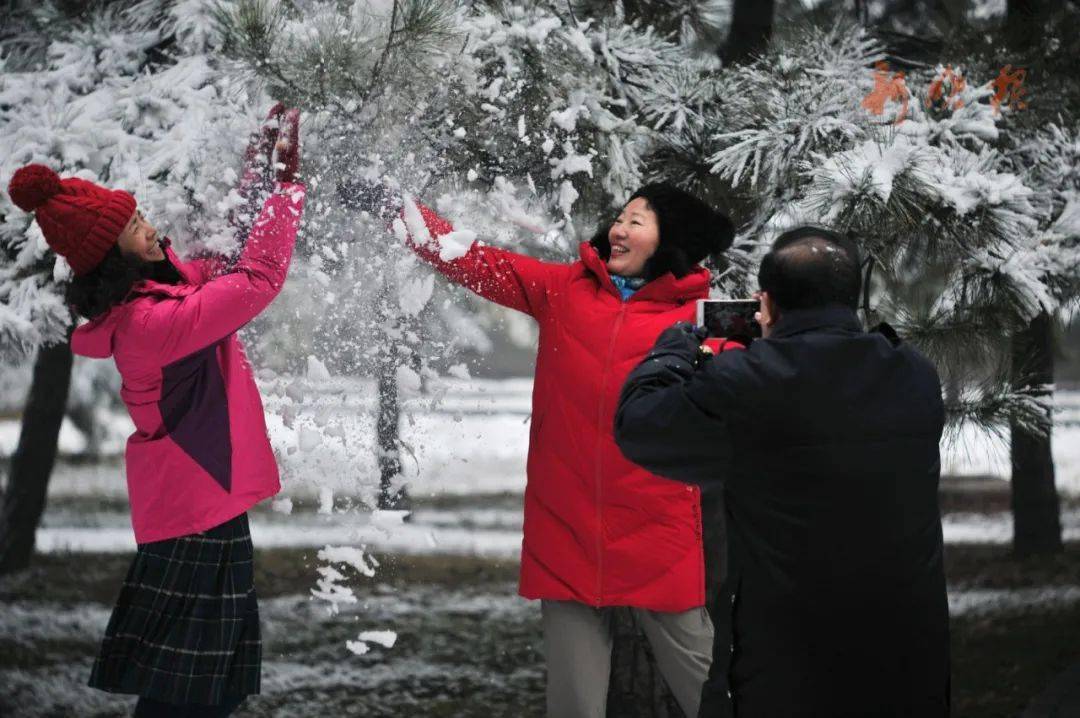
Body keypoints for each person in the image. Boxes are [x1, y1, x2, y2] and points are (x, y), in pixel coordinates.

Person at [343, 180, 734, 717]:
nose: (618, 228)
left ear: (672, 242)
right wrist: (400, 213)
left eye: (637, 221)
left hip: (658, 529)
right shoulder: (564, 289)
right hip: (566, 525)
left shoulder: (702, 322)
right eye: (621, 216)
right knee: (573, 705)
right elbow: (473, 260)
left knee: (709, 692)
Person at [4, 106, 304, 718]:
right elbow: (257, 278)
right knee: (185, 695)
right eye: (134, 226)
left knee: (208, 688)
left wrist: (260, 175)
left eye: (140, 214)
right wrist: (286, 193)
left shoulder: (163, 292)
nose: (149, 227)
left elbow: (222, 261)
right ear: (113, 258)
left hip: (201, 505)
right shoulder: (150, 325)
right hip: (195, 510)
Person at [614, 226, 950, 717]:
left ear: (765, 304)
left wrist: (677, 347)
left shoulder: (747, 383)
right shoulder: (914, 374)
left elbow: (639, 425)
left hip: (786, 665)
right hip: (907, 656)